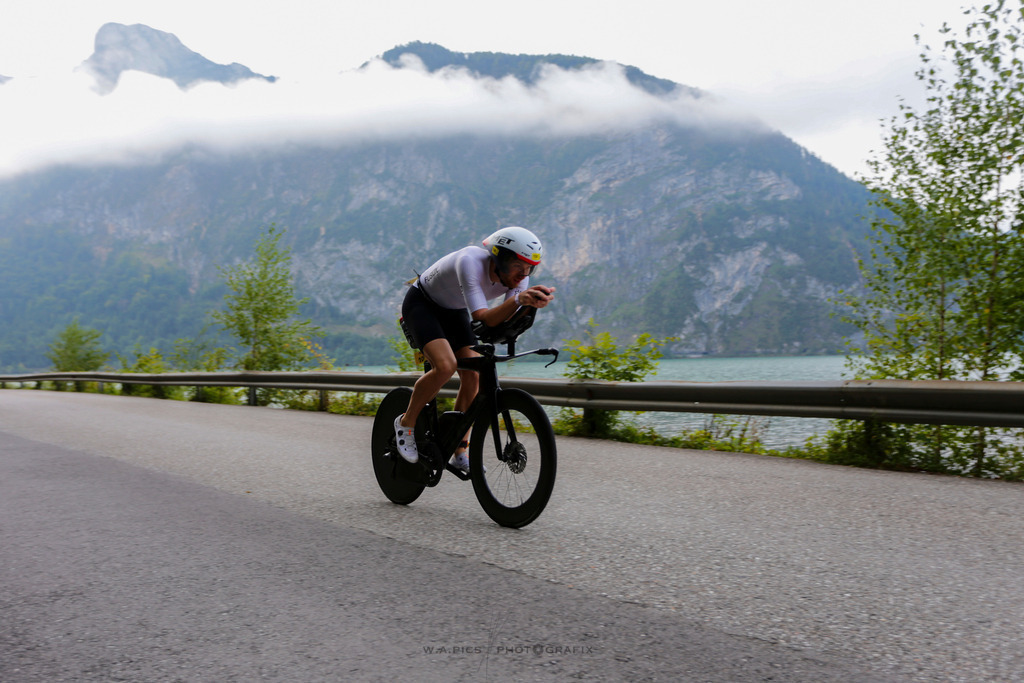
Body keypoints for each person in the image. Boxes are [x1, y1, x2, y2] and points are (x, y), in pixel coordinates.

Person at [394, 226, 555, 473]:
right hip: (422, 305)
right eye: (517, 266)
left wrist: (532, 303)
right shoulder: (470, 261)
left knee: (474, 378)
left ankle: (458, 448)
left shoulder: (519, 279)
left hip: (454, 310)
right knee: (446, 366)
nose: (523, 275)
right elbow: (483, 317)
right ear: (499, 258)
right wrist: (518, 300)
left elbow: (506, 320)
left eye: (529, 269)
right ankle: (406, 423)